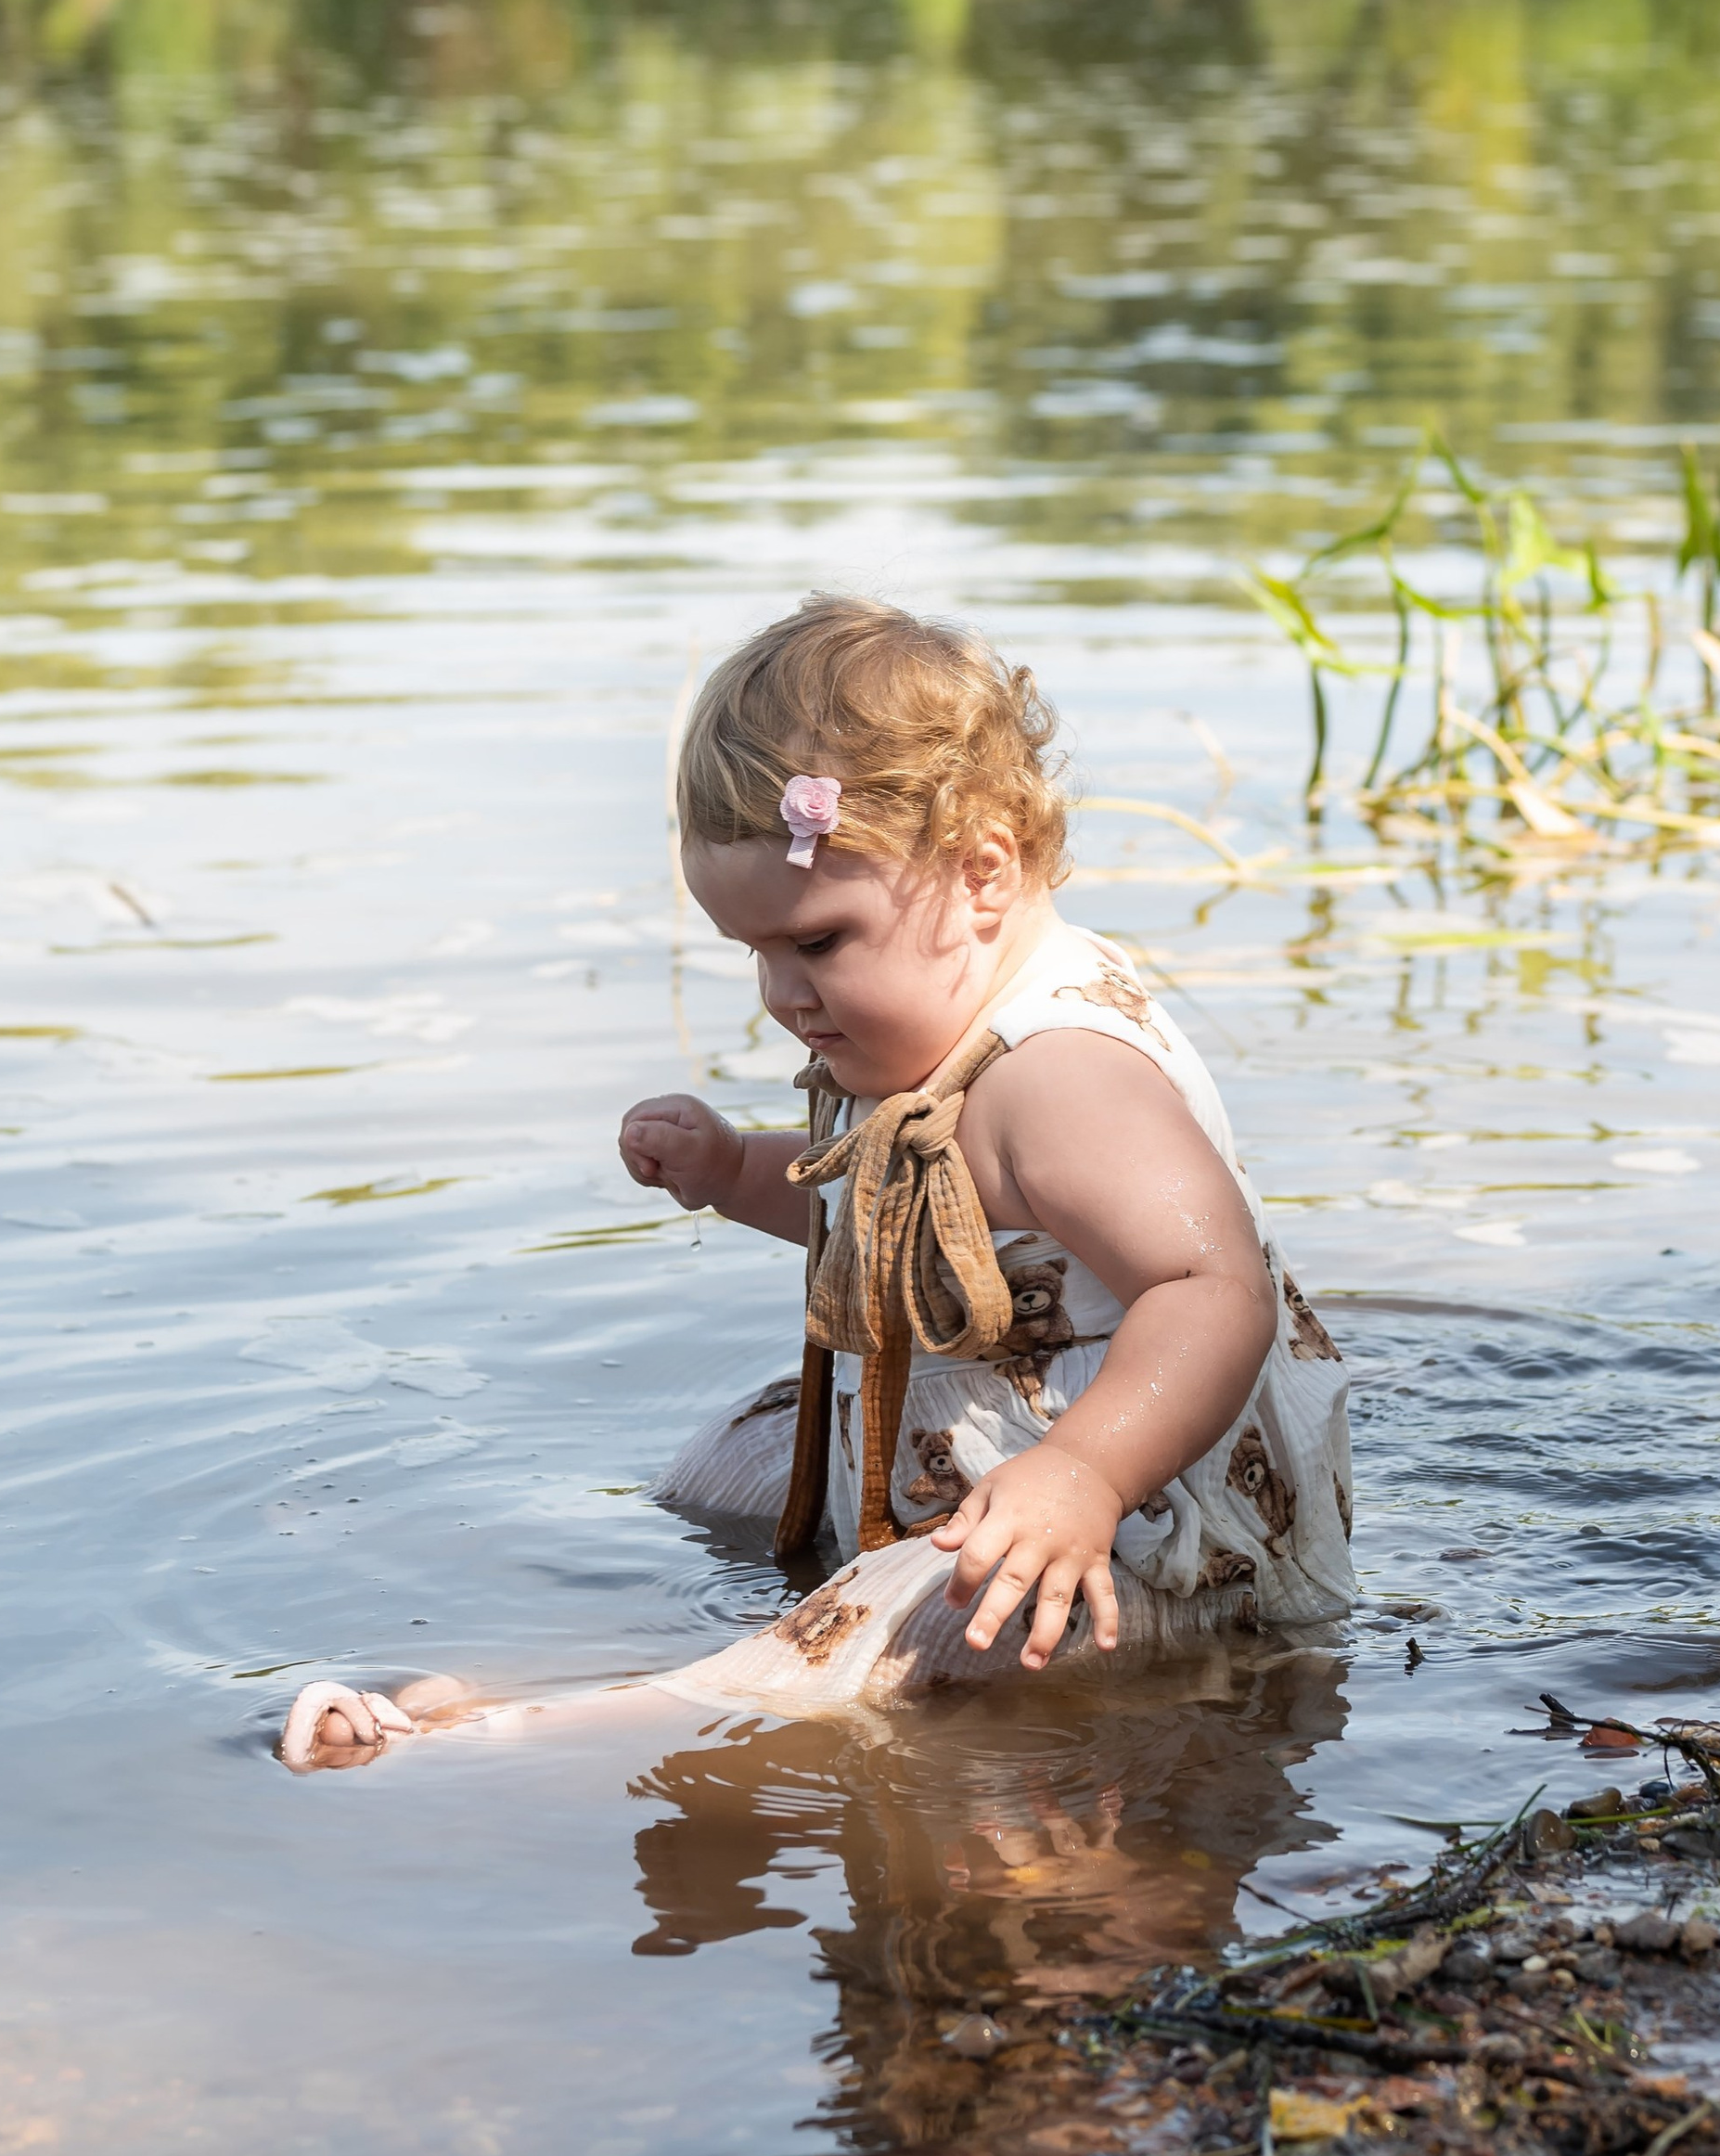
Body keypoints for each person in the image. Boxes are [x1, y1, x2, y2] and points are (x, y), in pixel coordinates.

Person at [278, 596, 1354, 1769]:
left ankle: (529, 1729)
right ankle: (616, 1651)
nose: (781, 994)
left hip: (1136, 1541)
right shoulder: (905, 1028)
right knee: (723, 1461)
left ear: (981, 873)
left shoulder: (1060, 1079)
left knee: (907, 1625)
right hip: (980, 1459)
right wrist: (736, 1169)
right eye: (753, 951)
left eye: (817, 942)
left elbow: (1215, 1290)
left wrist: (1084, 1475)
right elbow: (891, 1230)